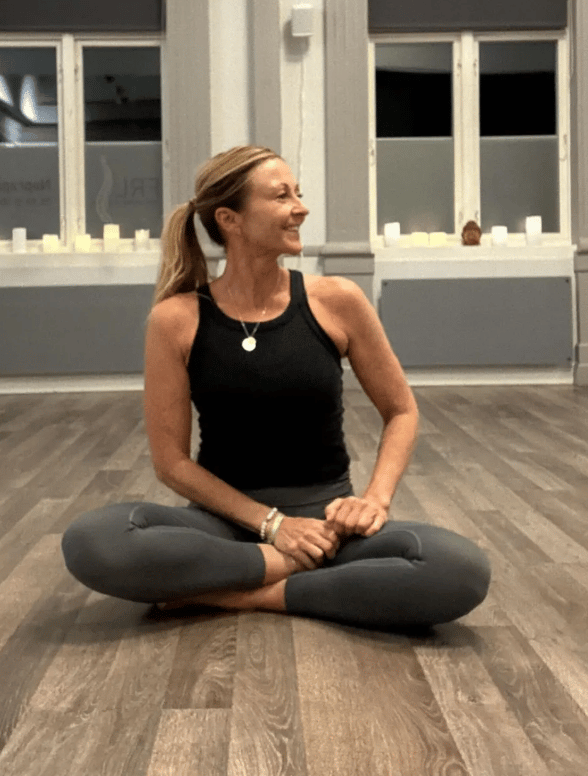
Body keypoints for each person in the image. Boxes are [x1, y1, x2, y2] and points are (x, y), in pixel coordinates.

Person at [61, 145, 490, 630]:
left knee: (461, 569)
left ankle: (236, 596)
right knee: (92, 539)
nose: (300, 208)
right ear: (231, 219)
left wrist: (374, 501)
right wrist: (276, 529)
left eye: (298, 194)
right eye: (282, 196)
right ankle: (297, 575)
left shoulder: (337, 301)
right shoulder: (176, 319)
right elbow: (172, 464)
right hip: (222, 524)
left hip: (328, 525)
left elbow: (402, 411)